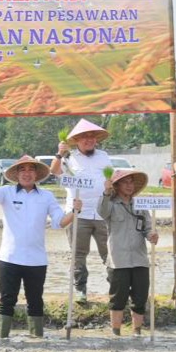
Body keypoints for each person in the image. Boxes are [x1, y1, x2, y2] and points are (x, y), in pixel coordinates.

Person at [0, 155, 78, 338]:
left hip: (36, 260)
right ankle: (2, 339)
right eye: (22, 170)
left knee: (35, 301)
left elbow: (59, 222)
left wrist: (74, 211)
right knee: (7, 300)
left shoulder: (47, 196)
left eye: (31, 169)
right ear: (16, 174)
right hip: (10, 257)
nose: (27, 173)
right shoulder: (7, 192)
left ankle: (37, 338)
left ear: (37, 174)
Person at [51, 118, 113, 302]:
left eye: (92, 137)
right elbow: (54, 171)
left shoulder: (103, 156)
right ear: (76, 140)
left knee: (109, 251)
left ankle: (115, 287)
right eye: (84, 137)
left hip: (102, 212)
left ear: (96, 140)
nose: (89, 140)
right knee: (78, 254)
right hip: (78, 214)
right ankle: (80, 290)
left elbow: (111, 177)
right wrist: (59, 154)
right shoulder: (68, 157)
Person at [97, 168, 159, 336]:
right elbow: (101, 212)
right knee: (118, 298)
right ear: (116, 186)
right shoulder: (110, 204)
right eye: (125, 182)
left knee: (140, 298)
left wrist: (152, 235)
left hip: (140, 259)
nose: (129, 185)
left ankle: (137, 331)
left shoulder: (141, 205)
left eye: (131, 182)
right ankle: (116, 332)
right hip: (118, 260)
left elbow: (147, 227)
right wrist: (106, 192)